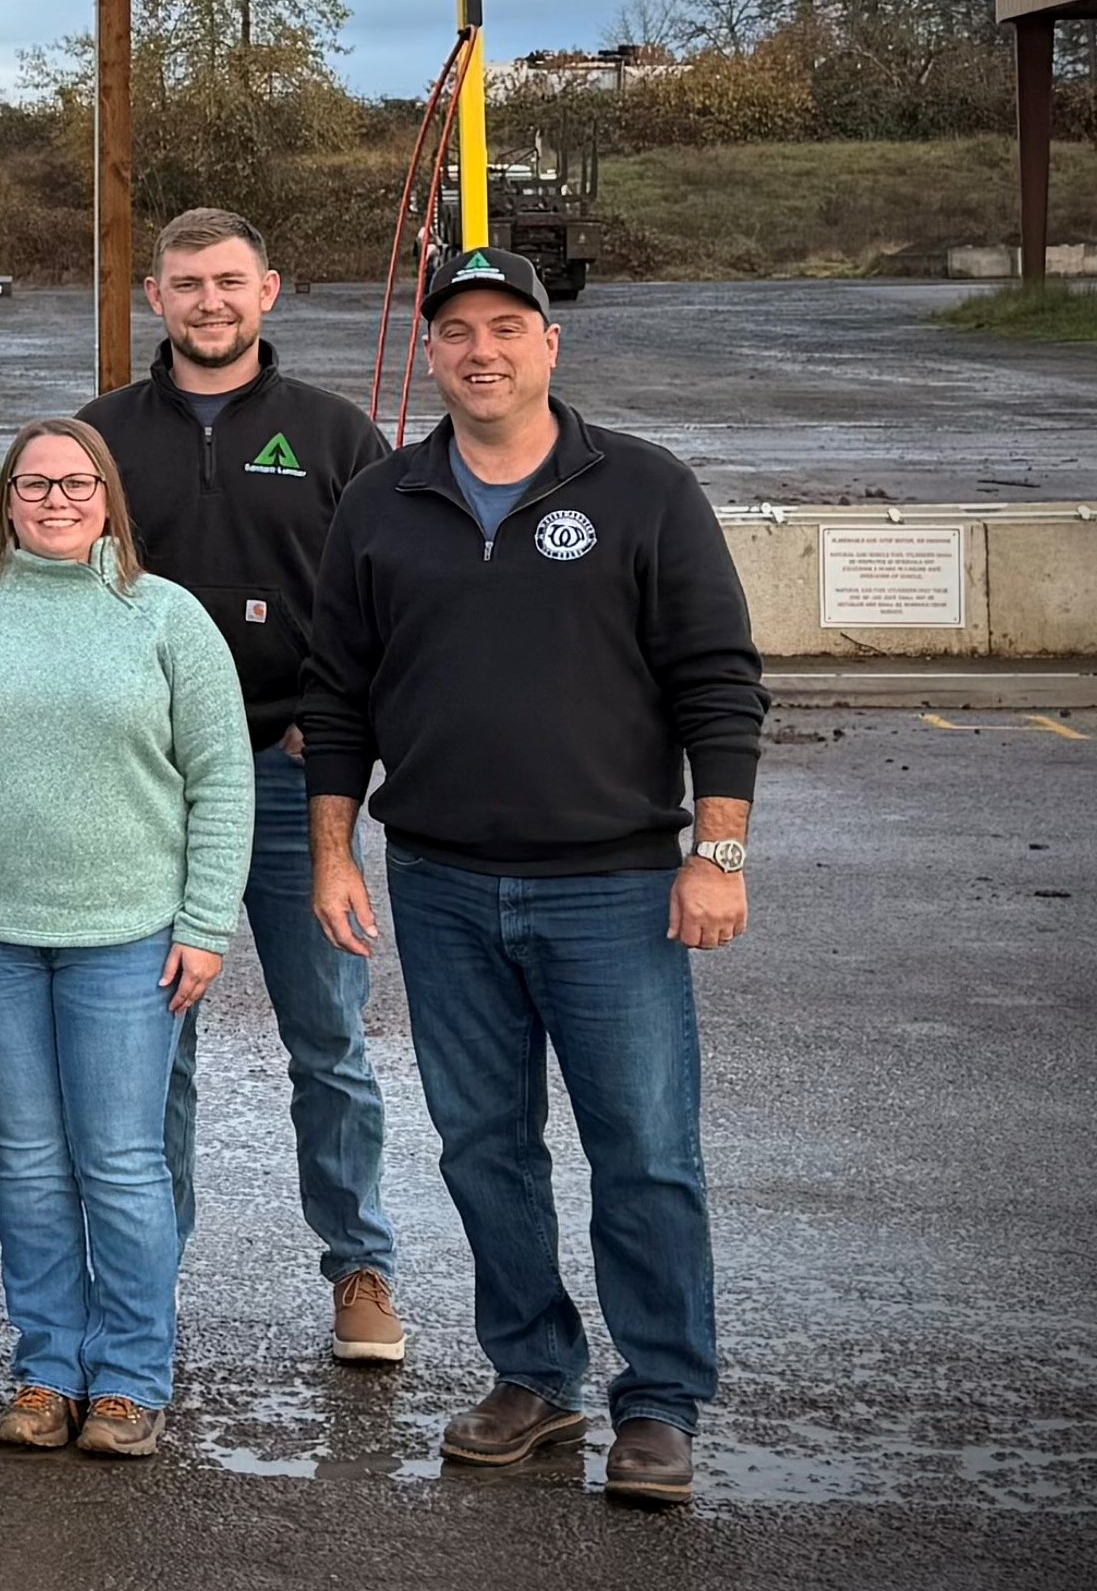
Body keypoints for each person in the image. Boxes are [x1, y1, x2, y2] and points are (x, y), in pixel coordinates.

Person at [299, 244, 767, 1510]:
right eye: (457, 331)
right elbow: (337, 694)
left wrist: (714, 853)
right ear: (432, 351)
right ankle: (532, 1377)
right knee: (485, 1149)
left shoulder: (644, 490)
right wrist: (335, 850)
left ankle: (660, 1400)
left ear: (550, 346)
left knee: (645, 1150)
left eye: (507, 327)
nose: (481, 350)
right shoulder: (381, 502)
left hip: (611, 887)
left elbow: (718, 681)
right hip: (441, 883)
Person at [0, 418, 252, 1460]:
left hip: (128, 936)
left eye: (76, 481)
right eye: (34, 483)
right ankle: (47, 1367)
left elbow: (222, 774)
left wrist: (205, 923)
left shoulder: (162, 616)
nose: (54, 498)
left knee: (124, 1162)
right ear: (5, 499)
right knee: (30, 1163)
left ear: (107, 497)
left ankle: (132, 1376)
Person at [74, 207, 403, 1368]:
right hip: (141, 793)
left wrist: (348, 738)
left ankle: (359, 1266)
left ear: (270, 289)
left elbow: (387, 608)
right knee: (151, 1056)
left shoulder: (334, 435)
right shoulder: (100, 438)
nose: (207, 302)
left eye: (228, 282)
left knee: (329, 1041)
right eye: (184, 284)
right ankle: (142, 1286)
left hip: (289, 789)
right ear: (151, 299)